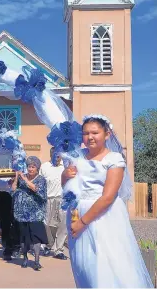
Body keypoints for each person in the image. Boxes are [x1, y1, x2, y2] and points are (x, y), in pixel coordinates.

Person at [62, 115, 153, 288]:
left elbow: (108, 197)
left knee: (105, 264)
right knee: (85, 265)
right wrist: (64, 176)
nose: (90, 137)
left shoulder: (114, 159)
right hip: (77, 213)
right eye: (86, 133)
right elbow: (68, 188)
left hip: (103, 217)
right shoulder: (78, 156)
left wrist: (82, 222)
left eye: (95, 132)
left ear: (107, 134)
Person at [12, 156, 48, 271]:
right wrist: (17, 177)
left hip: (36, 213)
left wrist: (25, 179)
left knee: (36, 237)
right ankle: (25, 258)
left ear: (37, 168)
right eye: (29, 167)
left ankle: (37, 260)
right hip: (22, 213)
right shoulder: (22, 178)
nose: (30, 169)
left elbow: (36, 189)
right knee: (23, 238)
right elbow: (13, 190)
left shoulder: (41, 179)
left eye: (33, 167)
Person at [40, 148, 67, 260]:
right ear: (50, 154)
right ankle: (48, 245)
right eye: (54, 155)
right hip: (48, 199)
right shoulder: (45, 166)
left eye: (58, 155)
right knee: (48, 224)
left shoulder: (65, 166)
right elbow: (40, 182)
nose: (56, 157)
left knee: (63, 225)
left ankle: (59, 250)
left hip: (62, 199)